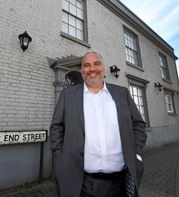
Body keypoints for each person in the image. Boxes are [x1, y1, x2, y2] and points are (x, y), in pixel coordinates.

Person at [50, 51, 147, 197]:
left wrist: (136, 151)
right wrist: (60, 157)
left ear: (103, 68)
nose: (92, 69)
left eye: (96, 64)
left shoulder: (122, 94)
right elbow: (56, 127)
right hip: (81, 183)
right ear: (82, 70)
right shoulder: (68, 95)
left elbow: (138, 124)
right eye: (87, 65)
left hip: (120, 183)